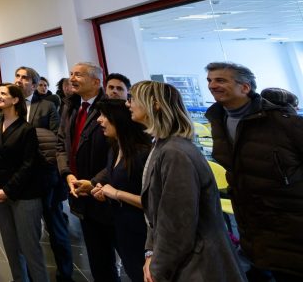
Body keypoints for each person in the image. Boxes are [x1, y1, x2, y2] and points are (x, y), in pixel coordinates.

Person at [130, 81, 245, 282]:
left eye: (133, 99)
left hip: (198, 266)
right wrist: (151, 252)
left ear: (155, 104)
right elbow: (157, 216)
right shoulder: (163, 146)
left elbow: (177, 224)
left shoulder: (175, 153)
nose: (128, 104)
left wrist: (158, 269)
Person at [204, 62, 303, 282]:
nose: (212, 85)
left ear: (245, 87)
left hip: (292, 228)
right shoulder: (218, 121)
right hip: (253, 228)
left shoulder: (284, 122)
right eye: (209, 80)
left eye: (220, 80)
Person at [56, 62, 118, 282]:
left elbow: (117, 154)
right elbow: (61, 143)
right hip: (79, 190)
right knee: (96, 254)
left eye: (78, 75)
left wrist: (93, 182)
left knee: (112, 256)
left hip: (104, 192)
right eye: (71, 74)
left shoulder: (110, 108)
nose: (72, 78)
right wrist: (67, 174)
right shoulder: (70, 106)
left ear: (95, 81)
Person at [0, 83, 50, 282]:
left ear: (15, 100)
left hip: (24, 195)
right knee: (11, 248)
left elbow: (28, 165)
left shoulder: (26, 129)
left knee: (30, 250)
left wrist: (7, 190)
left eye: (3, 93)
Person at [15, 66, 73, 282]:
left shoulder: (47, 106)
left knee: (56, 230)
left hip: (47, 179)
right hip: (22, 180)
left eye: (24, 78)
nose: (19, 80)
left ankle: (65, 274)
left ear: (34, 84)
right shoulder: (9, 107)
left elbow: (58, 140)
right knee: (27, 234)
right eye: (17, 76)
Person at [86, 99, 152, 282]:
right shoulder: (115, 149)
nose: (99, 120)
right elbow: (114, 182)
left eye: (104, 115)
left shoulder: (144, 154)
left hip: (142, 233)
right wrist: (102, 190)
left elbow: (153, 202)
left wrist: (115, 193)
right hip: (122, 228)